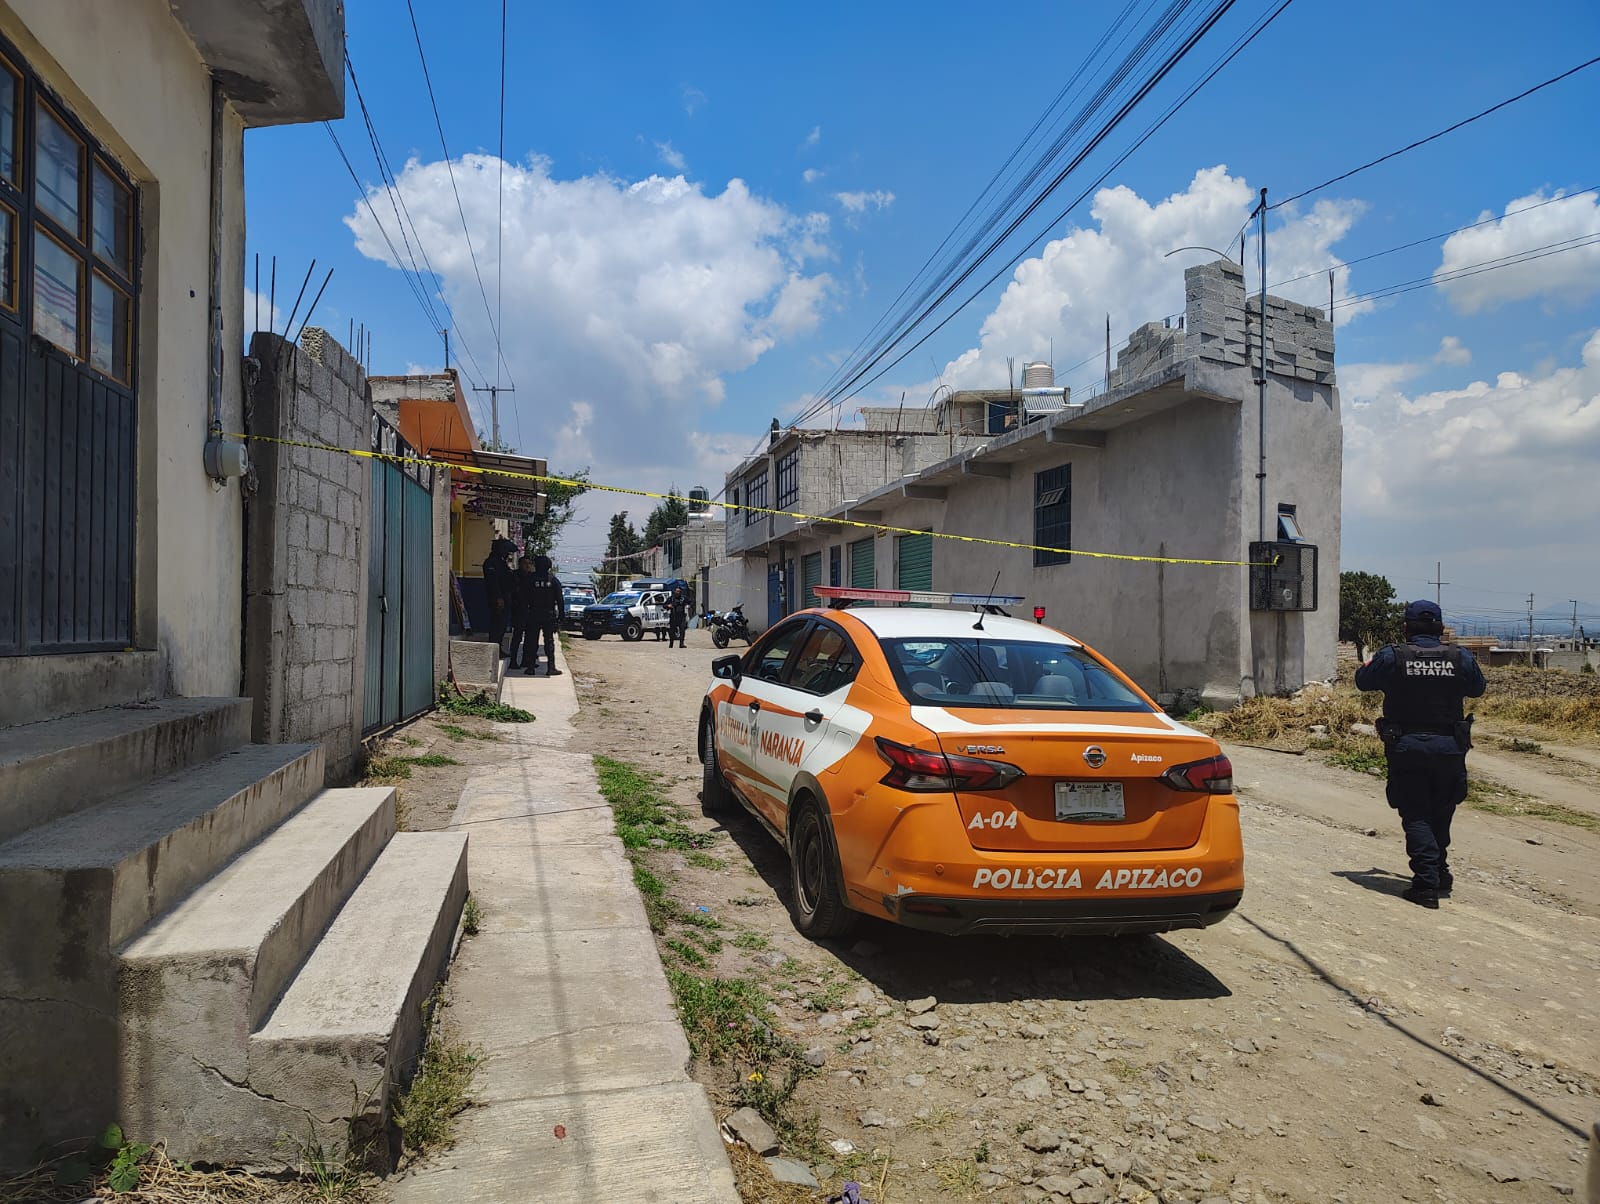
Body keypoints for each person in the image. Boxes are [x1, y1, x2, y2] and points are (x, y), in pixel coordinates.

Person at [1354, 599, 1486, 909]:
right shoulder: (1460, 657)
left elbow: (1363, 681)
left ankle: (1426, 884)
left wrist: (1373, 661)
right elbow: (1478, 689)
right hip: (1449, 749)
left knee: (1416, 813)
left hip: (1408, 747)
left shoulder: (1393, 656)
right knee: (1442, 809)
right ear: (1441, 628)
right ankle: (1439, 871)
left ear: (1406, 628)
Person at [523, 554, 564, 676]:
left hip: (533, 613)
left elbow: (523, 598)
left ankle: (530, 667)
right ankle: (551, 667)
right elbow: (560, 600)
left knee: (532, 641)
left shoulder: (530, 579)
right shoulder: (553, 580)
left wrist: (524, 614)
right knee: (549, 641)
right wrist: (561, 617)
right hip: (548, 615)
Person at [482, 538, 516, 652]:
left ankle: (498, 648)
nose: (507, 554)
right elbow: (493, 582)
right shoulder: (491, 562)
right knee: (497, 624)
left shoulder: (501, 562)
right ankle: (494, 649)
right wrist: (499, 597)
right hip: (497, 598)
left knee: (502, 625)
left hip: (504, 597)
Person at [506, 556, 536, 670]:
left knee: (529, 637)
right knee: (517, 636)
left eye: (529, 563)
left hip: (530, 610)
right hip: (518, 609)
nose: (527, 566)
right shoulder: (514, 576)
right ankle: (513, 660)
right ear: (519, 564)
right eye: (525, 563)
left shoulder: (531, 577)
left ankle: (526, 660)